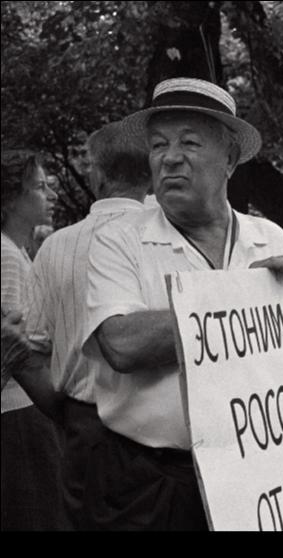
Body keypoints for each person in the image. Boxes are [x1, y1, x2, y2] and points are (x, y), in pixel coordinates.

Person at [80, 78, 283, 530]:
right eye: (158, 145)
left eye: (190, 142)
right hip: (152, 484)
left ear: (230, 159)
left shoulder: (271, 238)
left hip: (258, 474)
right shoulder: (119, 241)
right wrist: (245, 297)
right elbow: (121, 344)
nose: (170, 158)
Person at [21, 121, 151, 529]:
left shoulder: (56, 247)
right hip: (166, 434)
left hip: (86, 428)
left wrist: (64, 415)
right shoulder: (172, 240)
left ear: (95, 173)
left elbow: (33, 349)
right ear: (150, 171)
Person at [0, 151, 68, 530]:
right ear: (11, 198)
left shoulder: (18, 251)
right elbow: (17, 342)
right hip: (19, 412)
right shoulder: (7, 257)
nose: (51, 195)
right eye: (40, 187)